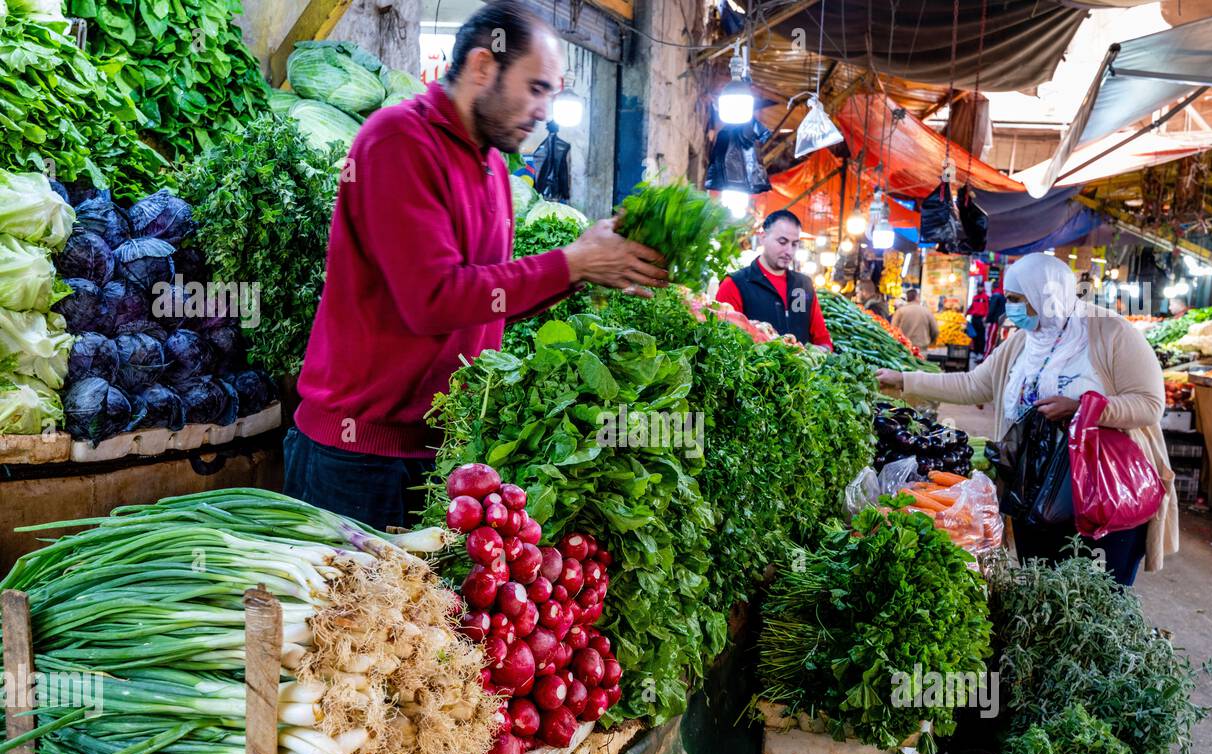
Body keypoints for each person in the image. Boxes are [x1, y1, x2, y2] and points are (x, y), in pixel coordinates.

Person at [284, 1, 668, 530]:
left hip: (437, 452)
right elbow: (432, 299)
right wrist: (569, 264)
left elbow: (483, 302)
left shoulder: (491, 164)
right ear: (485, 66)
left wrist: (583, 263)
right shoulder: (398, 140)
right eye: (536, 88)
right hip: (358, 457)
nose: (543, 110)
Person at [875, 253, 1177, 585]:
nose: (1009, 307)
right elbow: (975, 384)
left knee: (1097, 594)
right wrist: (903, 379)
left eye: (1017, 299)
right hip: (1031, 493)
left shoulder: (1112, 333)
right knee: (1040, 588)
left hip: (1099, 494)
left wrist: (1081, 407)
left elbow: (1149, 404)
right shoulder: (1022, 341)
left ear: (1044, 295)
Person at [715, 210, 834, 348]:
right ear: (763, 237)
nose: (789, 251)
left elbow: (822, 340)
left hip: (803, 369)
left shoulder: (802, 285)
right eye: (782, 242)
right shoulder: (734, 285)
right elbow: (721, 345)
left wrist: (821, 353)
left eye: (794, 244)